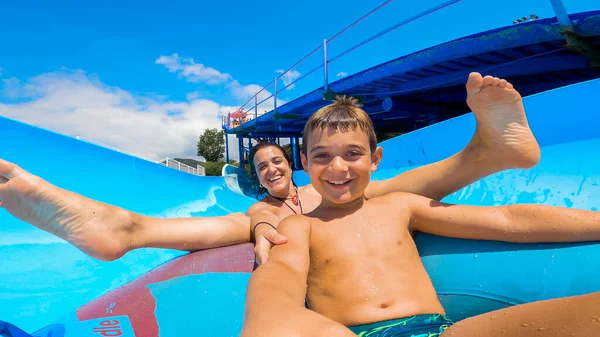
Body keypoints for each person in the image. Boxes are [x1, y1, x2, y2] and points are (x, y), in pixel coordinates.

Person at [0, 72, 540, 264]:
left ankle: (490, 153)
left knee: (373, 194)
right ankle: (121, 228)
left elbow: (345, 182)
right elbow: (257, 215)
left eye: (277, 162)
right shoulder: (265, 200)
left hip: (316, 208)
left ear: (293, 164)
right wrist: (263, 218)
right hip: (280, 220)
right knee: (258, 220)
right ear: (257, 175)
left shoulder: (327, 182)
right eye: (263, 166)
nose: (271, 169)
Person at [240, 83, 600, 336]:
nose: (338, 168)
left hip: (438, 331)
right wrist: (272, 314)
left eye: (352, 153)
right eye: (322, 156)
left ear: (375, 158)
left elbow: (505, 220)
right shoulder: (301, 226)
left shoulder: (400, 206)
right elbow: (279, 274)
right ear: (304, 161)